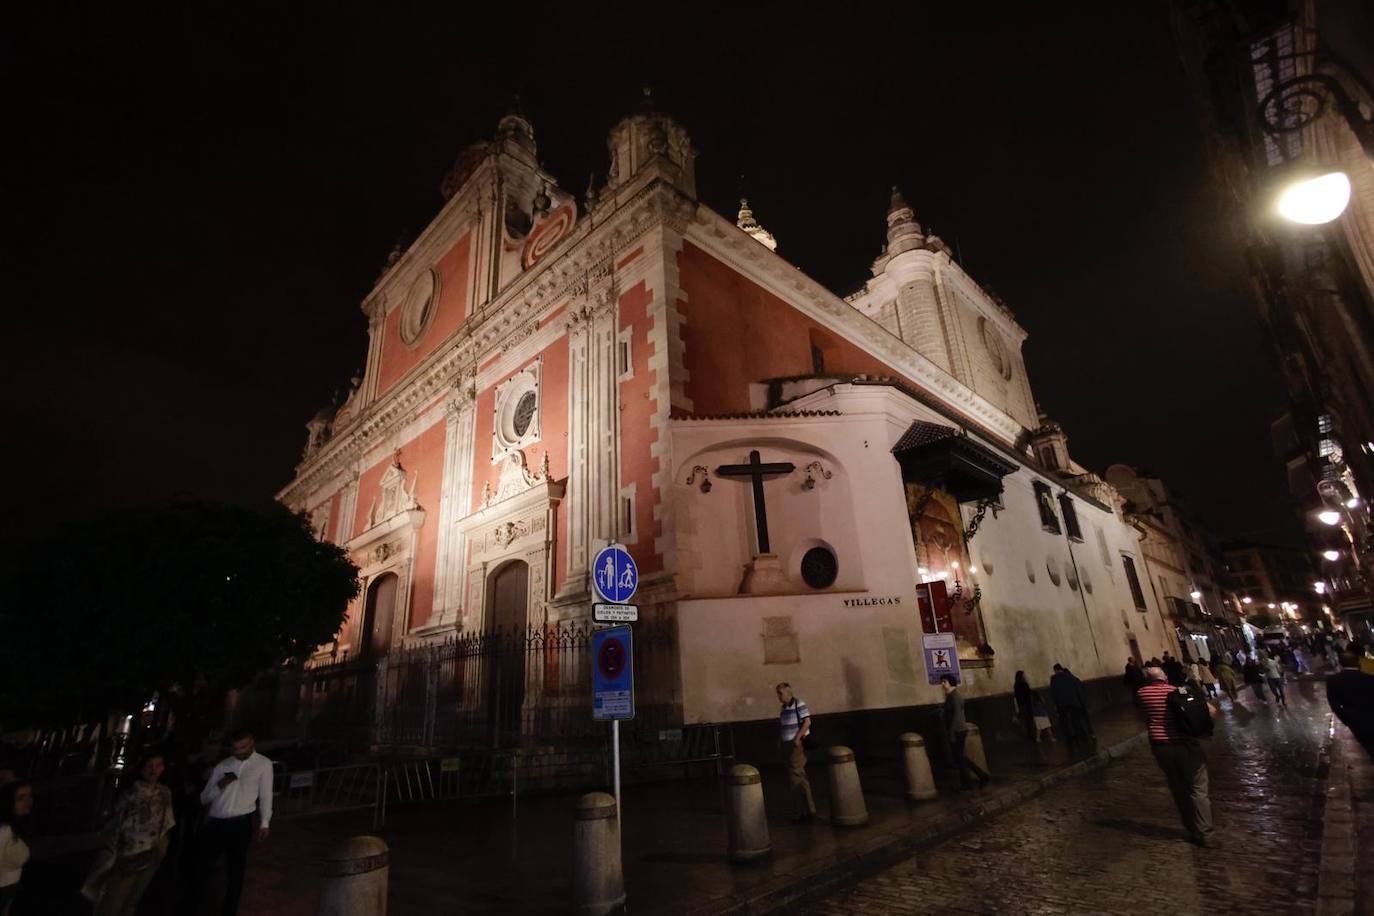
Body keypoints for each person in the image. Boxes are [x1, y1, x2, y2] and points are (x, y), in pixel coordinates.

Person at [183, 731, 273, 916]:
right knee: (201, 869)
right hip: (216, 822)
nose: (239, 751)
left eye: (243, 747)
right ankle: (193, 908)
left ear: (252, 743)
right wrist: (221, 784)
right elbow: (203, 798)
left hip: (240, 824)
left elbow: (265, 794)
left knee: (236, 872)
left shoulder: (263, 764)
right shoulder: (223, 765)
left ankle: (228, 911)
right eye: (235, 748)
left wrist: (265, 822)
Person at [1136, 666, 1215, 847]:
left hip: (1161, 747)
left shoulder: (1142, 694)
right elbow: (1210, 711)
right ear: (1164, 677)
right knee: (1198, 788)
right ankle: (1206, 833)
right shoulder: (1177, 691)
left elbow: (1144, 716)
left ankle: (1191, 829)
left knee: (1178, 789)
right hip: (1186, 745)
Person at [90, 753, 176, 916]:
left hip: (152, 852)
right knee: (113, 901)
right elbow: (117, 823)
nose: (153, 770)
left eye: (158, 766)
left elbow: (166, 821)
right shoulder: (130, 792)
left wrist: (162, 846)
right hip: (128, 853)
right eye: (149, 766)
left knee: (132, 900)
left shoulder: (164, 792)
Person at [775, 683, 815, 823]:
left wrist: (797, 739)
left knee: (796, 776)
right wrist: (781, 741)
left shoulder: (799, 704)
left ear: (788, 692)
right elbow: (783, 726)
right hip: (787, 745)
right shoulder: (783, 708)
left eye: (780, 693)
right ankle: (807, 810)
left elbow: (807, 722)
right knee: (798, 777)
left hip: (795, 746)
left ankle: (801, 812)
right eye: (778, 693)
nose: (778, 696)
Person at [941, 675, 990, 789]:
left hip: (958, 730)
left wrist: (951, 732)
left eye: (944, 681)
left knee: (959, 757)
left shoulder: (954, 696)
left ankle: (971, 781)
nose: (942, 684)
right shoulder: (950, 696)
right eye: (942, 682)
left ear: (951, 683)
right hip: (957, 730)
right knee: (960, 757)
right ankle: (978, 777)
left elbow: (956, 715)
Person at [0, 781, 32, 916]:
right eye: (20, 798)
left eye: (29, 796)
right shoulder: (4, 830)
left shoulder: (17, 825)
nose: (28, 801)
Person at [1050, 664, 1093, 745]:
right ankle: (1083, 738)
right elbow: (1077, 689)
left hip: (1062, 704)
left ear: (1055, 670)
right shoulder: (1070, 677)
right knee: (1077, 721)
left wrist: (1055, 705)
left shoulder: (1054, 679)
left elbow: (1053, 693)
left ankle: (1070, 739)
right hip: (1074, 702)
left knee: (1065, 722)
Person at [1013, 671, 1036, 740]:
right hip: (1027, 704)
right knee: (1030, 720)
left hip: (1021, 705)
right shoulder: (1024, 684)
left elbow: (1017, 696)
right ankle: (1032, 735)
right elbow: (1028, 693)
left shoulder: (1016, 685)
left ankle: (1028, 735)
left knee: (1025, 721)